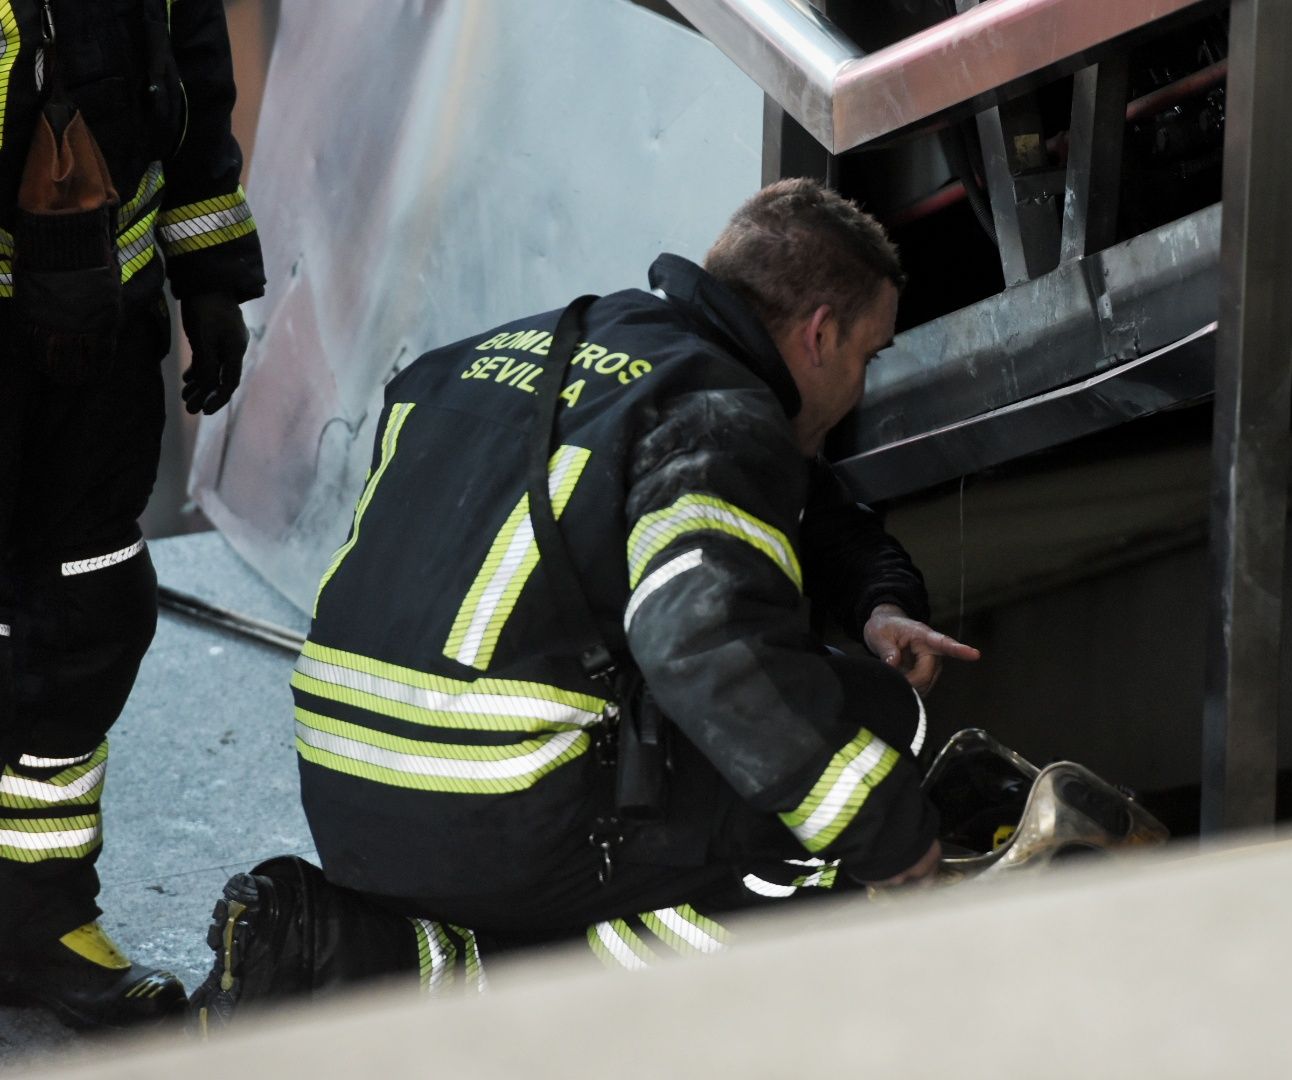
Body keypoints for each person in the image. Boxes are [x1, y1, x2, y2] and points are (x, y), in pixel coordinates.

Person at [187, 178, 977, 1020]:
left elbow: (801, 504)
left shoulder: (508, 356)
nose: (863, 381)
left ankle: (368, 954)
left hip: (346, 795)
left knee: (765, 732)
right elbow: (705, 645)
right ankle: (534, 1002)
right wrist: (895, 840)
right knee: (858, 744)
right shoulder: (717, 412)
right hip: (494, 809)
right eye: (869, 353)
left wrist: (878, 601)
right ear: (820, 335)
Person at [0, 0, 263, 1029]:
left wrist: (211, 280)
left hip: (100, 336)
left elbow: (193, 87)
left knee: (92, 608)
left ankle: (36, 917)